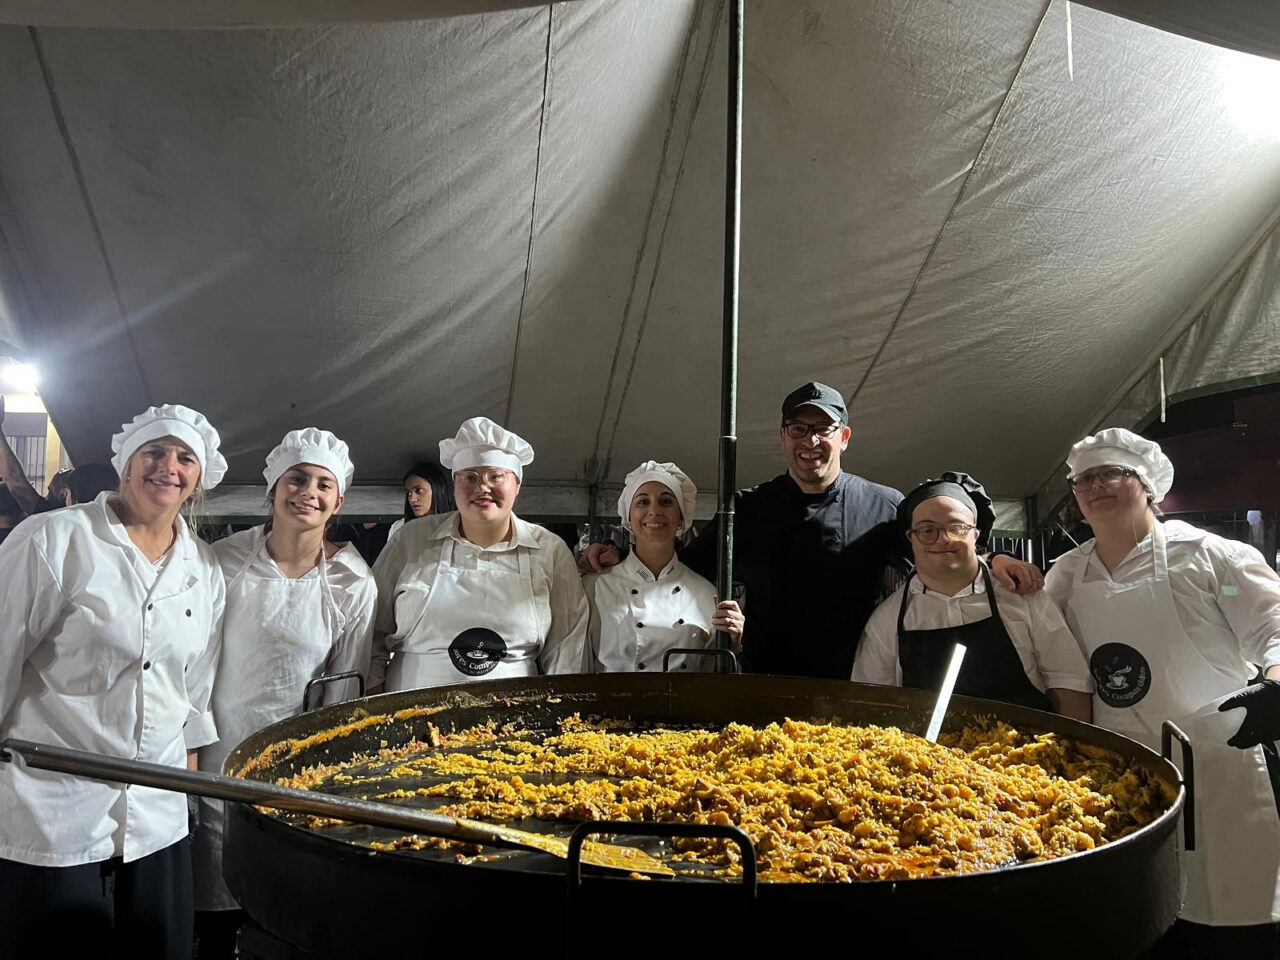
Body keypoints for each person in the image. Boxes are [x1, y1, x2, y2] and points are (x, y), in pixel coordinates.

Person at [582, 382, 1042, 680]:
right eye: (798, 428)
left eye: (824, 428)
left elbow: (938, 550)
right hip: (765, 680)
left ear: (844, 437)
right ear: (783, 437)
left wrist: (993, 560)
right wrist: (617, 558)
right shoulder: (748, 508)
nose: (811, 441)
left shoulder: (882, 505)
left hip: (857, 676)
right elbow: (678, 570)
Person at [0, 403, 227, 959]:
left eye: (184, 458)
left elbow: (193, 692)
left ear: (198, 478)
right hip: (53, 812)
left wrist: (187, 798)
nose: (168, 467)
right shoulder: (53, 540)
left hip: (157, 819)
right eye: (154, 452)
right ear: (126, 464)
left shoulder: (203, 567)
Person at [1044, 427, 1280, 957]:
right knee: (1141, 923)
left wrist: (1275, 681)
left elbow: (1275, 625)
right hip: (1118, 771)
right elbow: (1033, 637)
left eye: (1112, 473)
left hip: (1219, 761)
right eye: (1084, 478)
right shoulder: (1065, 574)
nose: (1096, 485)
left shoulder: (1211, 555)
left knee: (1231, 922)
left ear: (1148, 484)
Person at [192, 428, 376, 958]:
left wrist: (321, 770)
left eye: (323, 484)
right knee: (213, 895)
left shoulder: (351, 582)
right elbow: (195, 664)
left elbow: (343, 690)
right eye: (296, 479)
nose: (308, 493)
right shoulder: (222, 562)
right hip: (214, 751)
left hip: (293, 761)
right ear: (271, 491)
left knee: (281, 901)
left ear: (338, 501)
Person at [371, 417, 587, 690]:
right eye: (469, 477)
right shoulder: (410, 540)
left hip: (514, 716)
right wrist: (371, 696)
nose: (482, 488)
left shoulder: (550, 550)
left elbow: (568, 648)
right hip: (409, 711)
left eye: (496, 476)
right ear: (454, 485)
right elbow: (372, 631)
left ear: (517, 484)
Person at [853, 472, 1091, 719]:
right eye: (927, 530)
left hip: (1026, 751)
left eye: (956, 528)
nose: (942, 539)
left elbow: (1069, 681)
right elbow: (873, 706)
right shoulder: (887, 621)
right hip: (928, 755)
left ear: (976, 535)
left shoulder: (1022, 596)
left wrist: (1071, 752)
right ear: (911, 538)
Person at [584, 461, 744, 673]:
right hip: (613, 704)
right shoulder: (596, 586)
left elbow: (715, 681)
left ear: (680, 518)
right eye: (642, 502)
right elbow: (579, 665)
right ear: (628, 518)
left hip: (683, 704)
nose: (654, 511)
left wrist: (733, 643)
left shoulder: (705, 593)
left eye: (666, 502)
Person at [387, 460, 455, 543]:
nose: (412, 499)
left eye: (419, 490)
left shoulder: (456, 526)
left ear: (437, 490)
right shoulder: (399, 527)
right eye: (409, 492)